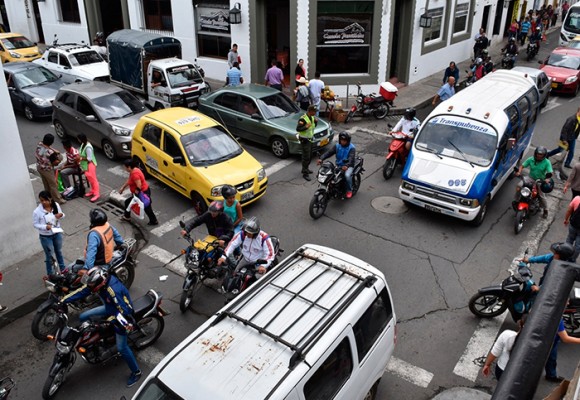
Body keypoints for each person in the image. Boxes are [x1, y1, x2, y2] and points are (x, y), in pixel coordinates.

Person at [61, 266, 142, 387]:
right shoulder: (97, 282)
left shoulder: (114, 291)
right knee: (83, 316)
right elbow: (83, 291)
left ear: (101, 282)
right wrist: (62, 301)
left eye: (93, 286)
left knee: (122, 348)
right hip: (110, 307)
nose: (92, 289)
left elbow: (125, 313)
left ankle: (136, 372)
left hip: (123, 314)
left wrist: (110, 321)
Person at [482, 316, 526, 381]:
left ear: (520, 324)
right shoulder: (535, 345)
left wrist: (487, 365)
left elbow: (495, 352)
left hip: (501, 371)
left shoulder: (507, 335)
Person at [514, 146, 553, 219]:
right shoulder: (531, 159)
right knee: (519, 185)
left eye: (541, 155)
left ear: (544, 156)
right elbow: (522, 166)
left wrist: (547, 178)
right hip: (530, 178)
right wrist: (519, 171)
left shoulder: (547, 162)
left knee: (542, 196)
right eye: (538, 154)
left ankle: (545, 210)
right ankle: (516, 201)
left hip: (540, 180)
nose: (539, 156)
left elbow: (550, 172)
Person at [33, 190, 65, 275]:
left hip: (56, 233)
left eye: (45, 200)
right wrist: (45, 227)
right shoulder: (37, 212)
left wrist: (61, 215)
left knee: (59, 252)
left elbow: (62, 215)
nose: (43, 202)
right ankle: (51, 274)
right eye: (41, 200)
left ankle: (63, 270)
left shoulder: (56, 205)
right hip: (45, 237)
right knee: (50, 256)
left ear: (50, 199)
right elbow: (35, 224)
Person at [119, 159, 158, 226]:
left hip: (142, 193)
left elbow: (139, 186)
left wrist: (136, 196)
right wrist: (123, 187)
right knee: (130, 203)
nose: (124, 168)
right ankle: (127, 217)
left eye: (125, 167)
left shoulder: (135, 174)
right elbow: (130, 180)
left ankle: (154, 221)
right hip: (143, 192)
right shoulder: (134, 170)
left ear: (129, 167)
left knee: (146, 207)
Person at [317, 132, 356, 198]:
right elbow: (329, 152)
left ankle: (349, 190)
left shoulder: (352, 148)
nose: (343, 142)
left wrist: (347, 165)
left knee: (347, 175)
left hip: (348, 166)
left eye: (344, 140)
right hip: (339, 165)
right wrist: (321, 158)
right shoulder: (337, 146)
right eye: (341, 140)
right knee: (331, 175)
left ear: (348, 141)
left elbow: (351, 158)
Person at [545, 317, 580, 382]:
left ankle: (551, 375)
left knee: (551, 359)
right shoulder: (557, 319)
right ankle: (551, 376)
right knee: (550, 359)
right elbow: (565, 338)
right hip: (549, 343)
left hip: (549, 340)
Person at [36, 133, 67, 204]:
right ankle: (58, 199)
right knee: (53, 185)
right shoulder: (50, 153)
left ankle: (48, 197)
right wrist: (59, 158)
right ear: (51, 142)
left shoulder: (40, 144)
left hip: (39, 167)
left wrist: (54, 150)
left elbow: (48, 147)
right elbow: (55, 163)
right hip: (47, 169)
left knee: (46, 184)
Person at [297, 105, 318, 181]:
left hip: (310, 139)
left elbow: (312, 127)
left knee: (310, 156)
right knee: (306, 157)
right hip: (304, 140)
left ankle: (306, 169)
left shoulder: (312, 117)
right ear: (310, 111)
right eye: (314, 111)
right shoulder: (303, 119)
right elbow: (298, 129)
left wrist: (315, 123)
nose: (315, 113)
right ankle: (305, 173)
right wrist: (305, 127)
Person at [78, 134, 100, 203]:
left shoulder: (88, 147)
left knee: (93, 180)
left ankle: (97, 194)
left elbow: (89, 159)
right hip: (85, 166)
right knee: (90, 179)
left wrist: (80, 158)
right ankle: (92, 191)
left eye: (78, 139)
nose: (78, 140)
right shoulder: (83, 144)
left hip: (90, 165)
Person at [564, 195, 580, 262]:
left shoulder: (577, 198)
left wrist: (566, 219)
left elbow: (569, 210)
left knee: (569, 239)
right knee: (578, 245)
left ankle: (565, 255)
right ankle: (572, 259)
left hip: (573, 224)